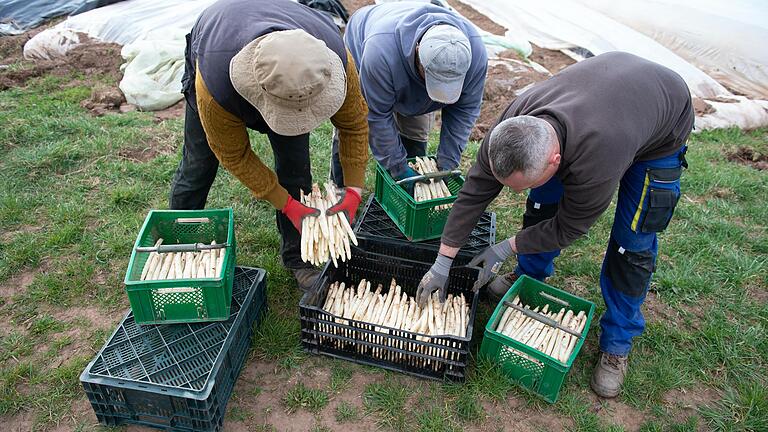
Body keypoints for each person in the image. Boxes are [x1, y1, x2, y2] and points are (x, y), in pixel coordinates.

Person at [415, 52, 694, 398]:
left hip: (661, 125)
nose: (515, 193)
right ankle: (529, 275)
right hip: (607, 94)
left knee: (631, 244)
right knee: (541, 204)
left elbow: (570, 226)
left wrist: (506, 247)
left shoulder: (598, 157)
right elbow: (474, 193)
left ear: (556, 160)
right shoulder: (512, 126)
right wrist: (443, 262)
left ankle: (618, 342)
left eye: (521, 184)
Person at [168, 0, 369, 291]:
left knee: (296, 171)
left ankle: (299, 258)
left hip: (288, 71)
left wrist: (353, 190)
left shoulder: (332, 57)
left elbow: (354, 124)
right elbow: (235, 156)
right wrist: (285, 204)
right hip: (218, 41)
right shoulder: (215, 81)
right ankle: (178, 247)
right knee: (198, 165)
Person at [333, 1, 487, 191]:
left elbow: (464, 110)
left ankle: (407, 191)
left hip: (406, 62)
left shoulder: (475, 53)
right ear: (418, 52)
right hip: (364, 39)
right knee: (353, 122)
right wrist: (398, 168)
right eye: (435, 79)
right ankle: (341, 187)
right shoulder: (380, 53)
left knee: (415, 131)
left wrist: (448, 161)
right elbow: (376, 115)